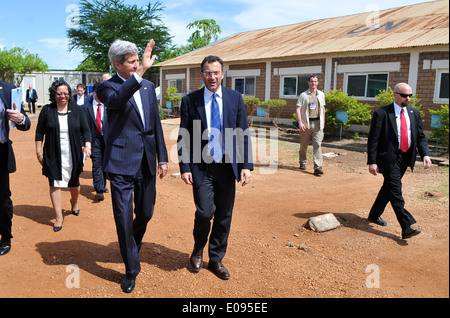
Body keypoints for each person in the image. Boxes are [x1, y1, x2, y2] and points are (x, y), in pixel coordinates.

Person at [96, 39, 168, 293]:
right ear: (117, 64)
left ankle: (132, 244)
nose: (138, 63)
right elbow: (116, 101)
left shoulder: (148, 87)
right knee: (123, 218)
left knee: (146, 212)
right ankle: (131, 268)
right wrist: (139, 75)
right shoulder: (105, 87)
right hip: (120, 162)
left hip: (146, 159)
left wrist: (163, 157)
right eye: (132, 61)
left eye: (139, 59)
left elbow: (155, 123)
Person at [178, 55, 253, 280]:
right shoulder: (191, 101)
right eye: (208, 73)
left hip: (227, 167)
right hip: (201, 167)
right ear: (202, 75)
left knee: (223, 215)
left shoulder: (235, 98)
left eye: (216, 72)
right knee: (204, 212)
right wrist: (184, 166)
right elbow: (184, 136)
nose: (212, 77)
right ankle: (198, 249)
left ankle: (216, 259)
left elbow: (243, 133)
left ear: (222, 74)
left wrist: (246, 166)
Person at [367, 82, 432, 240]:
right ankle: (406, 226)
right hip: (388, 158)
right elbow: (373, 140)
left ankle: (374, 215)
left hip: (405, 157)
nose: (408, 98)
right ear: (395, 94)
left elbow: (420, 136)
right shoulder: (382, 113)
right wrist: (372, 161)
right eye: (404, 95)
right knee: (396, 190)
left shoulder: (414, 113)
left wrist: (425, 155)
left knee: (388, 188)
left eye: (410, 95)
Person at [35, 80, 92, 232]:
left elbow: (86, 131)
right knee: (54, 182)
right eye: (59, 93)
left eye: (66, 93)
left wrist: (87, 146)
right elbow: (39, 132)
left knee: (74, 182)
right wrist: (39, 152)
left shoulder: (77, 110)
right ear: (54, 94)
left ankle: (74, 202)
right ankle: (59, 216)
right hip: (53, 152)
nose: (63, 96)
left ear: (69, 95)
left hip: (73, 152)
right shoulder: (47, 110)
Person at [0, 80, 31, 256]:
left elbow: (26, 123)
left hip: (1, 152)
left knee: (3, 198)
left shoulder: (8, 90)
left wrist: (20, 118)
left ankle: (5, 237)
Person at [81, 83, 108, 201]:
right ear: (94, 93)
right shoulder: (85, 107)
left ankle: (103, 184)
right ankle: (99, 190)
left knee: (106, 164)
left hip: (108, 140)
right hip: (94, 139)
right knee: (97, 163)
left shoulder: (110, 106)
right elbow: (82, 128)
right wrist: (84, 144)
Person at [295, 75, 326, 175]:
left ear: (318, 83)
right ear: (308, 83)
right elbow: (298, 108)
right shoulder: (303, 95)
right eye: (312, 81)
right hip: (306, 123)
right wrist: (300, 122)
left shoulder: (321, 94)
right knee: (304, 145)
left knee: (317, 145)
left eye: (315, 81)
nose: (313, 83)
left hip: (318, 124)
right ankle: (302, 162)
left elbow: (323, 109)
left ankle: (318, 167)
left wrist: (323, 121)